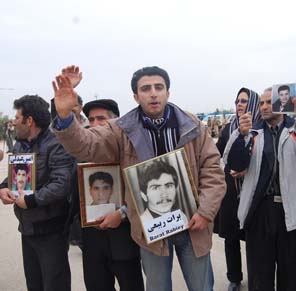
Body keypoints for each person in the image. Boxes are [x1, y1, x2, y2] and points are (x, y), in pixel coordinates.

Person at [51, 65, 225, 291]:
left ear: (168, 92)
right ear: (135, 96)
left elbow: (213, 170)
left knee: (202, 286)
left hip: (193, 224)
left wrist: (205, 212)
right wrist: (65, 117)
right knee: (157, 287)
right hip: (150, 228)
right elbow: (86, 146)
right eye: (145, 88)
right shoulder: (121, 129)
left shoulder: (192, 125)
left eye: (159, 87)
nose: (153, 93)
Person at [224, 88, 296, 291]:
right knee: (260, 278)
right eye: (261, 103)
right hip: (260, 213)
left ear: (282, 104)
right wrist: (241, 135)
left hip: (293, 214)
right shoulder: (252, 132)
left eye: (268, 102)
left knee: (294, 277)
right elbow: (235, 163)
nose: (263, 107)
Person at [0, 95, 75, 291]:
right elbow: (14, 177)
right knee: (34, 283)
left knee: (54, 284)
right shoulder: (19, 144)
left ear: (29, 120)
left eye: (17, 117)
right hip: (27, 227)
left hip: (51, 230)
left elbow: (62, 184)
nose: (14, 122)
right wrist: (3, 188)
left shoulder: (57, 143)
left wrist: (32, 200)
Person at [81, 97, 144, 291]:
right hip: (92, 241)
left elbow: (143, 191)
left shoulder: (131, 149)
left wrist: (122, 213)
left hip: (124, 241)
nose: (94, 124)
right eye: (90, 119)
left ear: (115, 122)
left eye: (101, 119)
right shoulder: (81, 150)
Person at [214, 87, 260, 291]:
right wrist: (230, 168)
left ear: (253, 104)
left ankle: (258, 277)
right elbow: (218, 156)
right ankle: (234, 278)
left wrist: (246, 169)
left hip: (253, 192)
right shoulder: (228, 128)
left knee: (255, 239)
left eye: (244, 101)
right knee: (231, 238)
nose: (239, 104)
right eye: (237, 101)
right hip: (231, 192)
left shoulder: (261, 128)